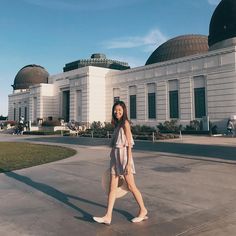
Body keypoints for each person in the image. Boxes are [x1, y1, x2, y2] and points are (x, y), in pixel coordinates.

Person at [93, 101, 148, 225]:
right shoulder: (117, 125)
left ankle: (143, 210)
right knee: (112, 188)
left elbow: (129, 145)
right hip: (115, 160)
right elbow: (115, 145)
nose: (117, 112)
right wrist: (112, 155)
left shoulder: (125, 124)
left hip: (124, 159)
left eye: (119, 110)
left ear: (124, 111)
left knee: (131, 186)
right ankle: (108, 216)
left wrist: (128, 163)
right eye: (115, 110)